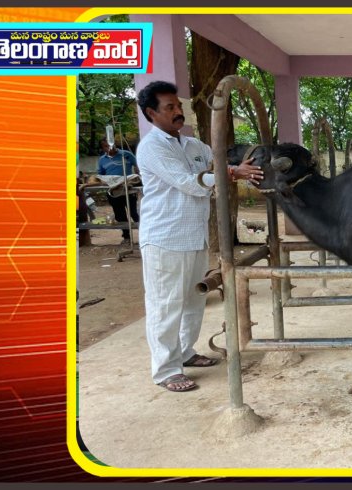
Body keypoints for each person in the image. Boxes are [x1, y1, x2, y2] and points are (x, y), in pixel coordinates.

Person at [136, 80, 264, 392]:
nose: (178, 112)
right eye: (170, 108)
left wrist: (240, 163)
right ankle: (166, 370)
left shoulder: (192, 145)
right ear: (152, 113)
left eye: (179, 106)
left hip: (193, 236)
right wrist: (233, 173)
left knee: (194, 299)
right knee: (166, 303)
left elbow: (218, 160)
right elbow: (190, 182)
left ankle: (186, 352)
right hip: (165, 237)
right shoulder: (151, 148)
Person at [98, 137, 140, 244]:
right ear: (103, 148)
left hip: (128, 189)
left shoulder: (125, 154)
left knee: (133, 213)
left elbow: (138, 166)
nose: (110, 147)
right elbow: (101, 175)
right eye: (106, 146)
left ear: (115, 144)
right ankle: (126, 237)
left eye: (111, 144)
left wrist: (137, 177)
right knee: (119, 215)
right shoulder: (102, 160)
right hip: (114, 191)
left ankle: (145, 235)